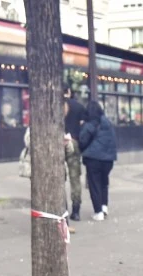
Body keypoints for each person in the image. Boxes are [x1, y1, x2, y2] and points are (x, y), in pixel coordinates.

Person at [79, 101, 117, 222]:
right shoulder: (107, 123)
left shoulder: (90, 124)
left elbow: (82, 140)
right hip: (108, 159)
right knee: (104, 183)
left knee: (94, 185)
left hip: (93, 159)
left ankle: (98, 211)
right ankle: (104, 207)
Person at [64, 86, 87, 221]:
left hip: (59, 142)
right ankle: (76, 209)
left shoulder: (54, 104)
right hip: (74, 142)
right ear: (69, 91)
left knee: (60, 177)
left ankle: (62, 208)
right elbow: (83, 124)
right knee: (75, 178)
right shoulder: (78, 106)